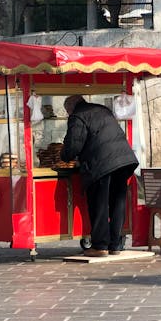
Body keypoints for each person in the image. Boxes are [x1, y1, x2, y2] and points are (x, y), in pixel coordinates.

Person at [61, 94, 138, 257]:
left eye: (67, 112)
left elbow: (74, 144)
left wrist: (65, 156)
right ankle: (115, 245)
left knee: (99, 204)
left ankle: (100, 246)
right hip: (124, 160)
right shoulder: (102, 109)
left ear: (70, 108)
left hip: (101, 164)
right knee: (118, 202)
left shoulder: (77, 116)